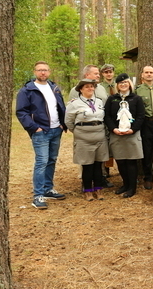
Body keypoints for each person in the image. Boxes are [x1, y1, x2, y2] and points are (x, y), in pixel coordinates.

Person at [16, 61, 67, 209]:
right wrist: (34, 128)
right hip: (41, 132)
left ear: (49, 72)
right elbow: (21, 112)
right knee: (41, 162)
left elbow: (60, 106)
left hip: (56, 130)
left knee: (51, 160)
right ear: (35, 72)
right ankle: (38, 196)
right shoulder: (27, 90)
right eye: (39, 70)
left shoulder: (54, 88)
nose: (42, 73)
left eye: (45, 70)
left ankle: (48, 189)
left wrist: (63, 124)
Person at [65, 79, 109, 201]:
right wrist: (79, 131)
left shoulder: (99, 102)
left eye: (92, 86)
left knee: (99, 164)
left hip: (99, 135)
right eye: (87, 87)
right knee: (87, 165)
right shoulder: (74, 104)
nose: (90, 89)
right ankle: (88, 190)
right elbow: (68, 121)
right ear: (81, 89)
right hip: (83, 136)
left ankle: (98, 189)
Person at [104, 73, 145, 198]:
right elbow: (107, 116)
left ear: (129, 84)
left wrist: (132, 129)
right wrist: (113, 129)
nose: (123, 85)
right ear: (117, 85)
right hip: (117, 134)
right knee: (120, 161)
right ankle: (125, 185)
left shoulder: (136, 99)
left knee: (131, 161)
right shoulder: (112, 99)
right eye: (121, 83)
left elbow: (140, 116)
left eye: (125, 82)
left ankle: (132, 187)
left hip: (131, 134)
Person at [135, 66, 153, 190]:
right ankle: (148, 177)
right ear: (142, 75)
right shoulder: (137, 90)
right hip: (146, 123)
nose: (148, 74)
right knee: (147, 151)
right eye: (146, 72)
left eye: (151, 72)